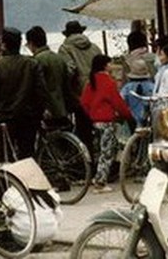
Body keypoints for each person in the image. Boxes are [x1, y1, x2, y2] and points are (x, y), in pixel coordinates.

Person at [0, 27, 43, 159]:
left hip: (6, 118)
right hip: (29, 117)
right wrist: (37, 113)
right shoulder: (32, 64)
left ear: (4, 44)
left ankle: (6, 180)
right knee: (27, 154)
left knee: (5, 157)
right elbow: (41, 92)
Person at [81, 53, 134, 188]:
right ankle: (100, 181)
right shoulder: (109, 82)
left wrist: (92, 113)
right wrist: (127, 115)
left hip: (95, 120)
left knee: (99, 150)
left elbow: (84, 102)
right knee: (107, 152)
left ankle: (97, 176)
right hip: (107, 121)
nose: (111, 66)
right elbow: (117, 102)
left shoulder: (90, 81)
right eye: (109, 64)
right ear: (105, 66)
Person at [59, 19, 100, 147]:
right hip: (97, 93)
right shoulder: (95, 47)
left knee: (83, 130)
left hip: (79, 96)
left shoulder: (65, 49)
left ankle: (87, 161)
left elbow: (69, 70)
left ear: (67, 35)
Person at [25, 26, 70, 125]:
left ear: (31, 43)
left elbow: (37, 88)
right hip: (62, 108)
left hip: (46, 110)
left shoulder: (35, 61)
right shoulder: (58, 58)